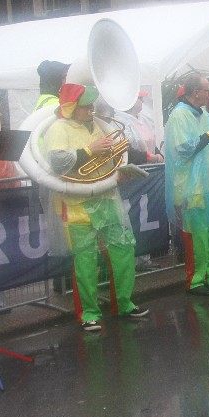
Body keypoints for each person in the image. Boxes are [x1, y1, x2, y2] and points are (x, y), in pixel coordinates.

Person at [42, 83, 149, 331]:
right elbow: (58, 162)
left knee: (123, 249)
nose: (91, 109)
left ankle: (124, 303)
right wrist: (90, 150)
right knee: (86, 260)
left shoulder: (100, 125)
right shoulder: (59, 128)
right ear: (71, 107)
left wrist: (121, 171)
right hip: (77, 203)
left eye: (91, 105)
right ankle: (89, 313)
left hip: (107, 197)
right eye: (85, 106)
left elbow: (113, 156)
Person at [165, 72, 209, 292]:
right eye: (207, 90)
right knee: (195, 234)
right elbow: (183, 148)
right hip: (189, 187)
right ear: (196, 92)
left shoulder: (204, 114)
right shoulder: (179, 115)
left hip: (207, 183)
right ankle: (196, 280)